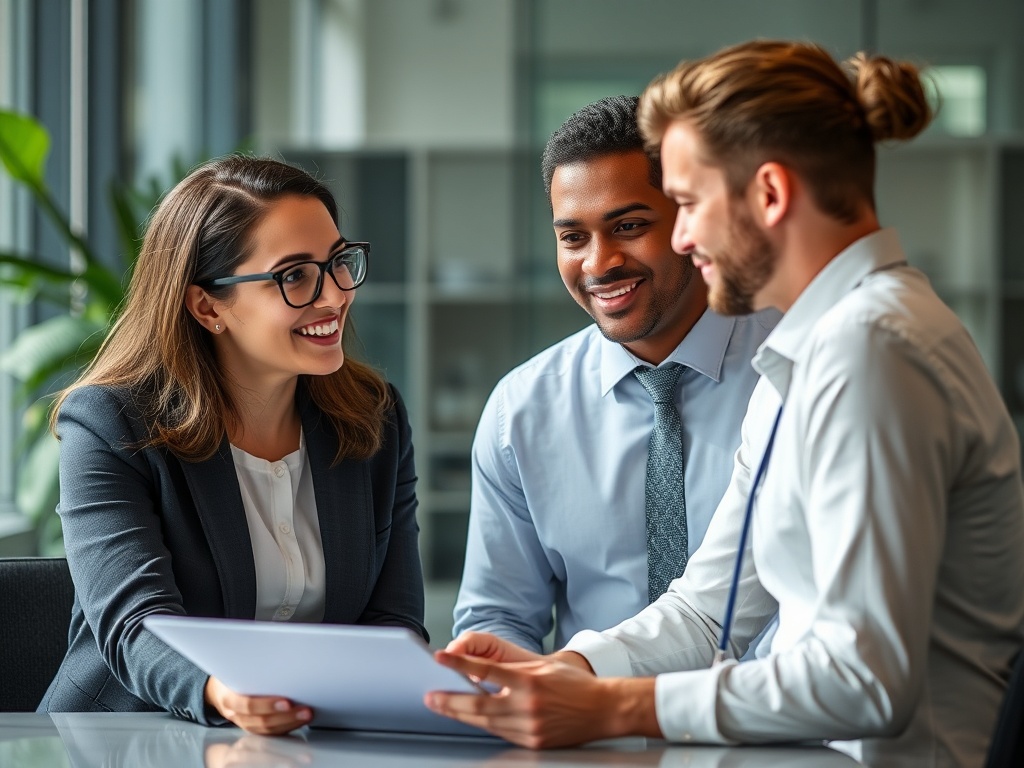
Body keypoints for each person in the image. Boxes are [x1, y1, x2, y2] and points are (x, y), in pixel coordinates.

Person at [426, 40, 1024, 767]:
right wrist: (569, 671)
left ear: (768, 194)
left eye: (683, 204)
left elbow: (865, 677)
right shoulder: (807, 352)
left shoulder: (873, 350)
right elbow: (711, 605)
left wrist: (617, 704)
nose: (679, 237)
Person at [39, 155, 426, 736]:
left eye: (339, 262)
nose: (335, 295)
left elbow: (393, 622)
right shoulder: (109, 422)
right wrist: (225, 693)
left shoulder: (375, 419)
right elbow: (135, 624)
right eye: (295, 275)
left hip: (307, 745)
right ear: (208, 306)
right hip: (124, 740)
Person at [452, 95, 776, 653]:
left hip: (772, 729)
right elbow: (498, 617)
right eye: (573, 237)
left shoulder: (792, 369)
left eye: (629, 225)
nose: (599, 264)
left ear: (691, 220)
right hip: (586, 733)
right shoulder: (522, 410)